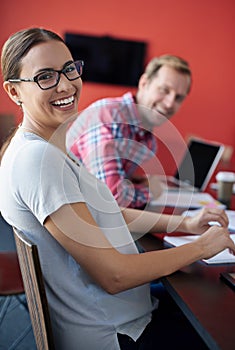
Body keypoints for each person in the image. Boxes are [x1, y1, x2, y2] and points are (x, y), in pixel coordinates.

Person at [0, 27, 234, 350]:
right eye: (45, 77)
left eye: (69, 70)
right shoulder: (39, 160)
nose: (66, 85)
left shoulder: (45, 147)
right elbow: (115, 276)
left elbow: (106, 210)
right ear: (14, 92)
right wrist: (201, 247)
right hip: (115, 333)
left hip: (123, 313)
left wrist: (185, 224)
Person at [66, 54, 191, 209]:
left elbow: (107, 183)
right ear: (144, 83)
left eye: (178, 98)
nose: (170, 103)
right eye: (164, 90)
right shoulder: (108, 116)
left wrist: (133, 182)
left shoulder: (147, 139)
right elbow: (111, 199)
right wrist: (151, 191)